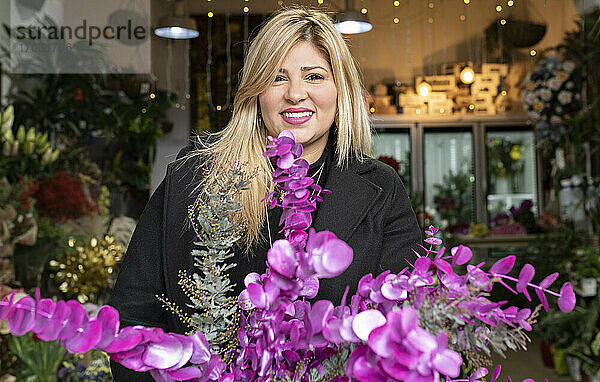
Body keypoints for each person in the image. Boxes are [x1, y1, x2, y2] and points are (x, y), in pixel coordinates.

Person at [110, 7, 421, 380]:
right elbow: (133, 319)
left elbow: (406, 329)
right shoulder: (194, 180)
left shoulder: (381, 189)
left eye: (315, 76)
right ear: (257, 91)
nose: (295, 94)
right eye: (277, 78)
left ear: (341, 90)